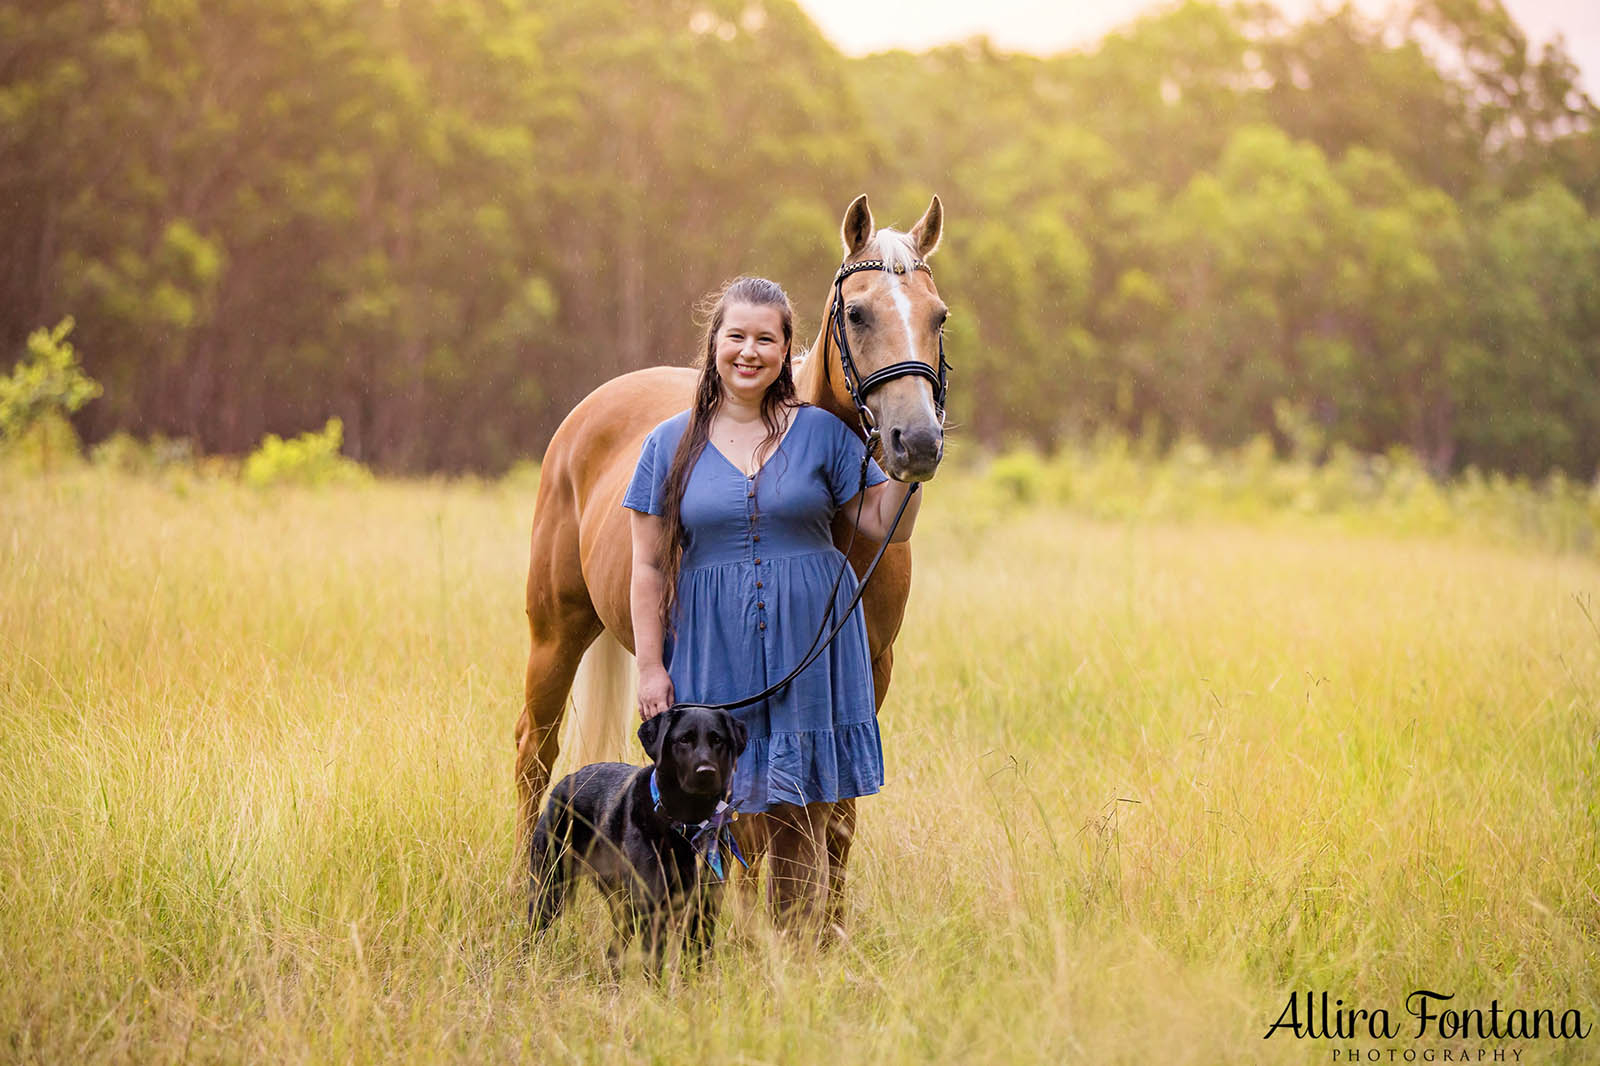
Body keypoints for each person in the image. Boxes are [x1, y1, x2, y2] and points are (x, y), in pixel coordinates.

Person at [622, 275, 922, 926]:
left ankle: (799, 963)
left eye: (767, 338)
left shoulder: (821, 435)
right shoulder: (667, 444)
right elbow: (646, 565)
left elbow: (881, 522)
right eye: (737, 337)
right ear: (714, 344)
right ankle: (705, 955)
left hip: (812, 651)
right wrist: (650, 666)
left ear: (789, 351)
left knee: (806, 814)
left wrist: (909, 463)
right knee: (714, 808)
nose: (749, 352)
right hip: (712, 643)